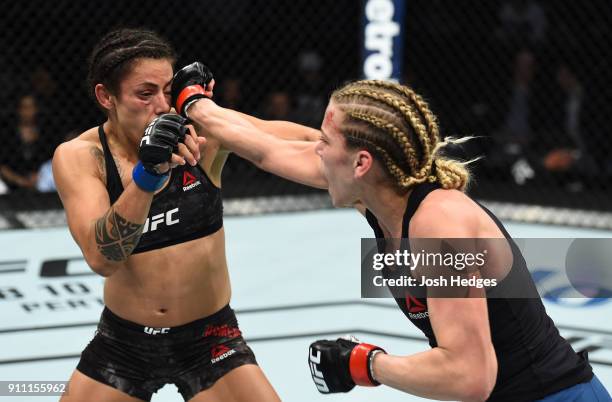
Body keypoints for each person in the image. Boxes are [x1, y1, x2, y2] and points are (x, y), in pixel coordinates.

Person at [174, 66, 611, 401]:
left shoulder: (440, 227)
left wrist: (364, 364)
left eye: (325, 140)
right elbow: (269, 147)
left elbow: (470, 376)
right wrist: (194, 103)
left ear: (361, 163)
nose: (315, 149)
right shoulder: (376, 194)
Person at [52, 29, 295, 402]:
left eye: (168, 90)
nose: (163, 106)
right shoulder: (81, 157)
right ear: (106, 97)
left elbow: (285, 143)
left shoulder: (202, 135)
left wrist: (370, 144)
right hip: (125, 344)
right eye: (145, 94)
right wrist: (147, 176)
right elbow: (102, 258)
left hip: (211, 340)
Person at [0, 94, 50, 192]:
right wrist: (19, 180)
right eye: (25, 107)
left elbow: (51, 160)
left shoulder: (46, 132)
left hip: (41, 179)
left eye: (31, 107)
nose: (28, 111)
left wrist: (39, 175)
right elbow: (2, 164)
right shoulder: (7, 133)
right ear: (19, 110)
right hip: (11, 181)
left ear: (36, 109)